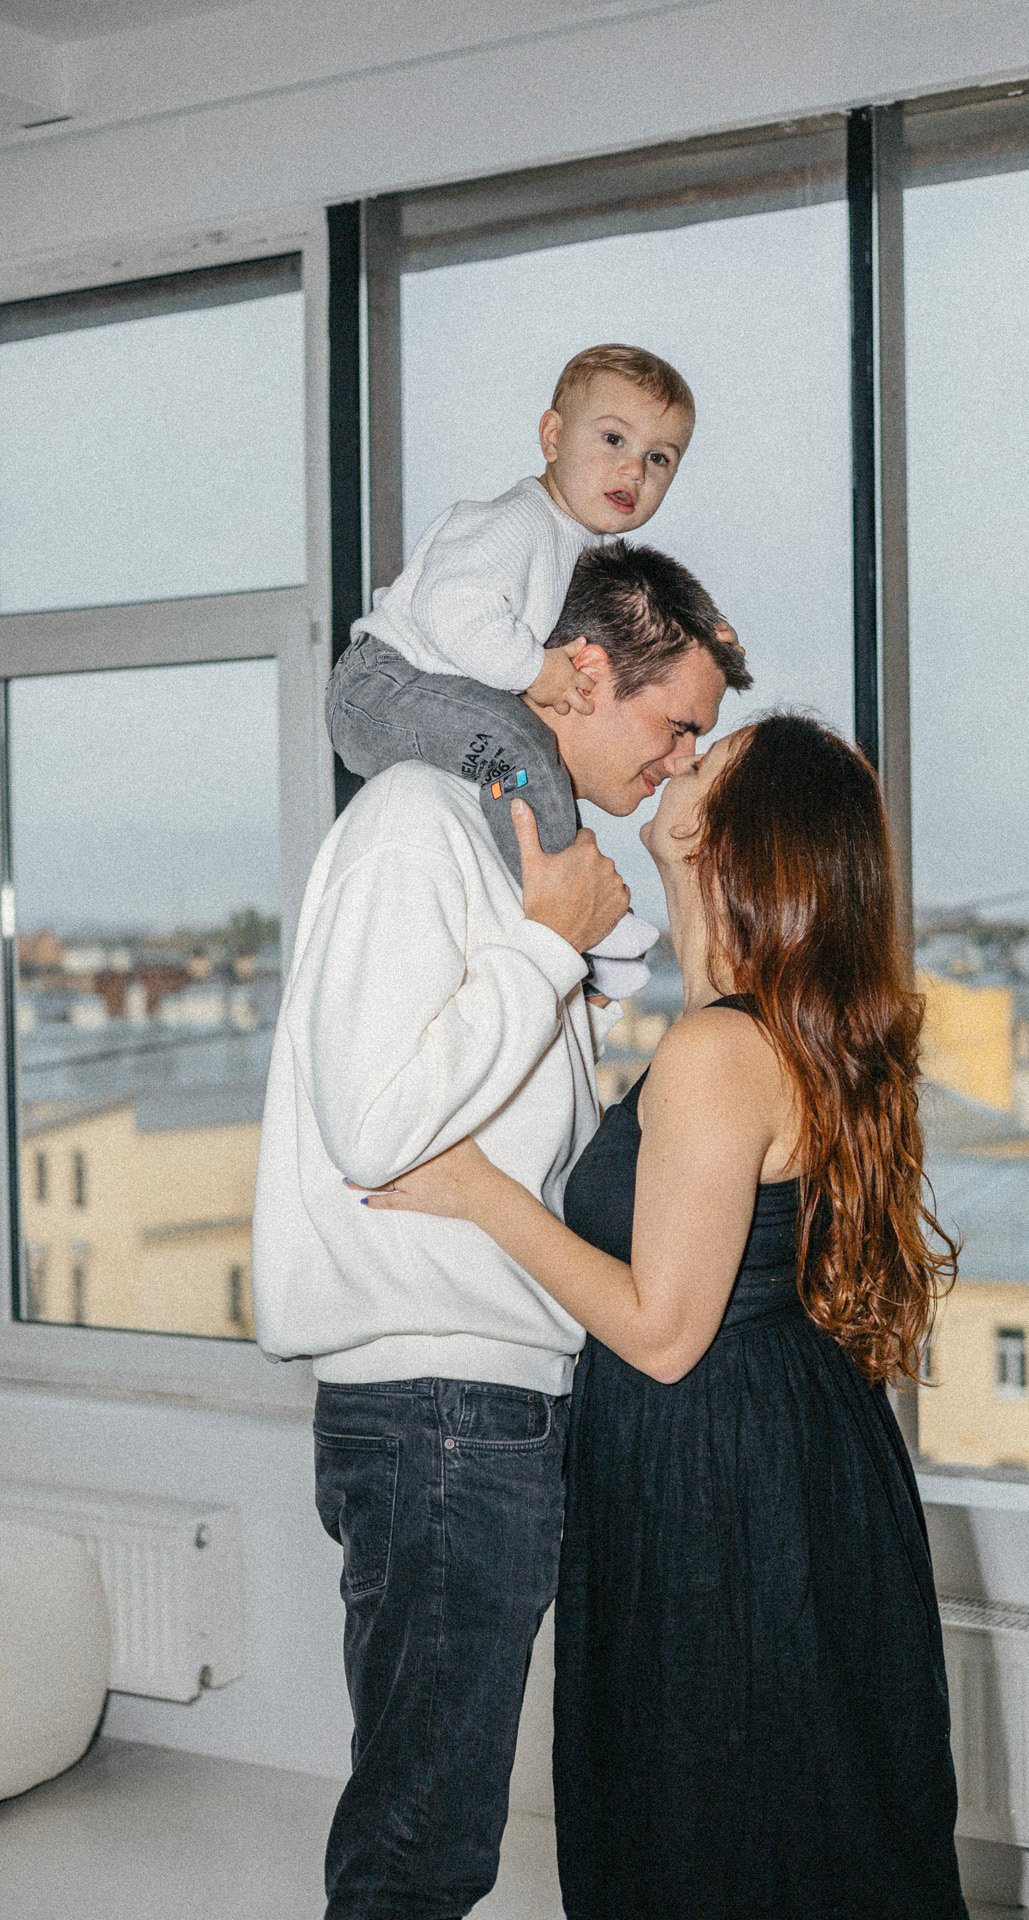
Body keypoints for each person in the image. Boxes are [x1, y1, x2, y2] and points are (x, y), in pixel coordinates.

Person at [360, 713, 971, 1920]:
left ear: (735, 842)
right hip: (789, 1452)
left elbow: (658, 1328)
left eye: (708, 763)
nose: (676, 764)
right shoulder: (779, 1033)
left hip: (721, 1468)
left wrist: (476, 1188)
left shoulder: (715, 1050)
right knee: (800, 1806)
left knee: (713, 1810)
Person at [251, 542, 751, 1920]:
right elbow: (379, 1120)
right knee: (425, 1840)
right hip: (439, 1410)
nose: (680, 758)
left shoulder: (505, 844)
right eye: (674, 723)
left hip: (478, 1408)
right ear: (585, 671)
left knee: (436, 1824)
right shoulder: (418, 815)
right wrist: (543, 950)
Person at [326, 341, 734, 1000]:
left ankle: (577, 934)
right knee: (522, 750)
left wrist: (704, 639)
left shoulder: (570, 542)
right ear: (552, 436)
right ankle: (571, 916)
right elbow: (447, 607)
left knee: (520, 764)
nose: (634, 469)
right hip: (385, 684)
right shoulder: (520, 523)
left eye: (659, 459)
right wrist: (531, 668)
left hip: (424, 690)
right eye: (612, 439)